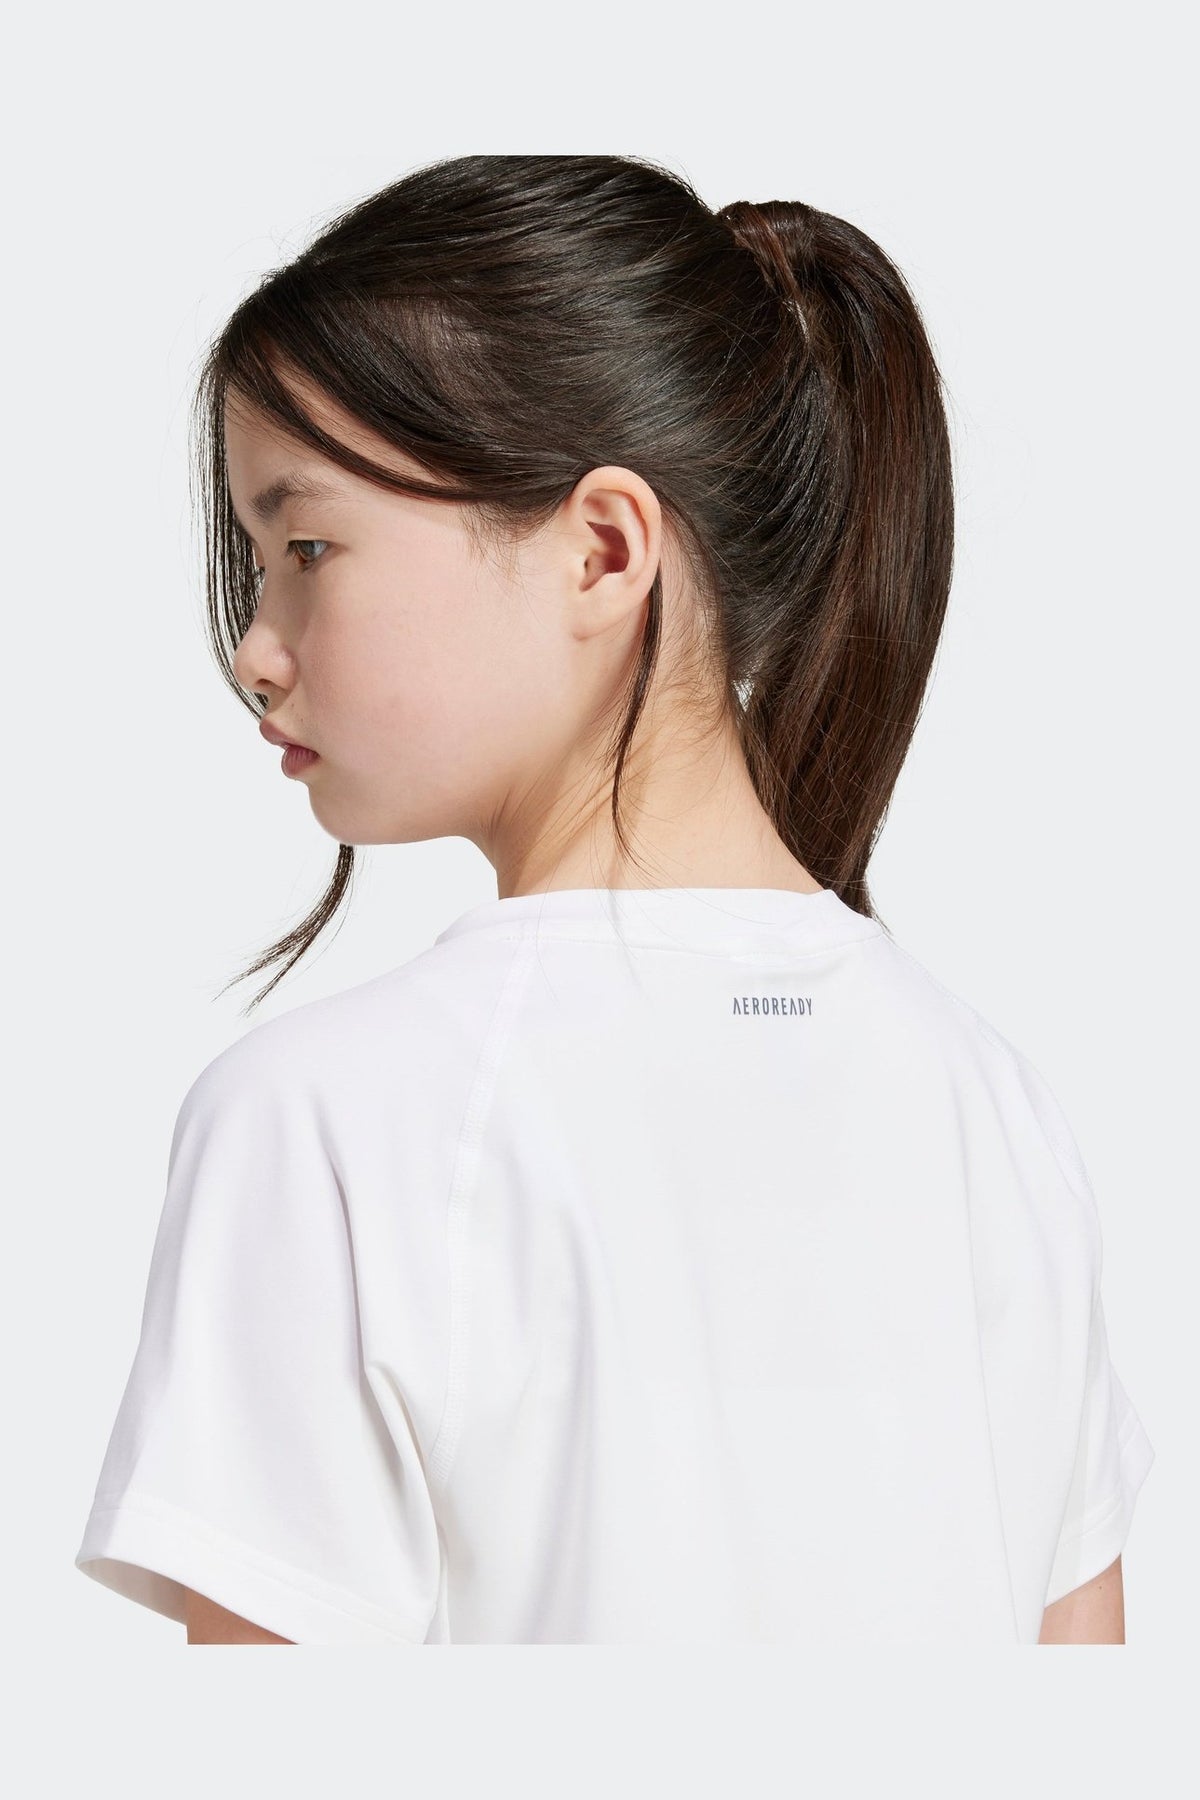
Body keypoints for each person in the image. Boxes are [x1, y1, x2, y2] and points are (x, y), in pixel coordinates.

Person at [73, 152, 1154, 1645]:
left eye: (307, 548)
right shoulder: (992, 1104)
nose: (256, 650)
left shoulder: (323, 1123)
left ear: (602, 550)